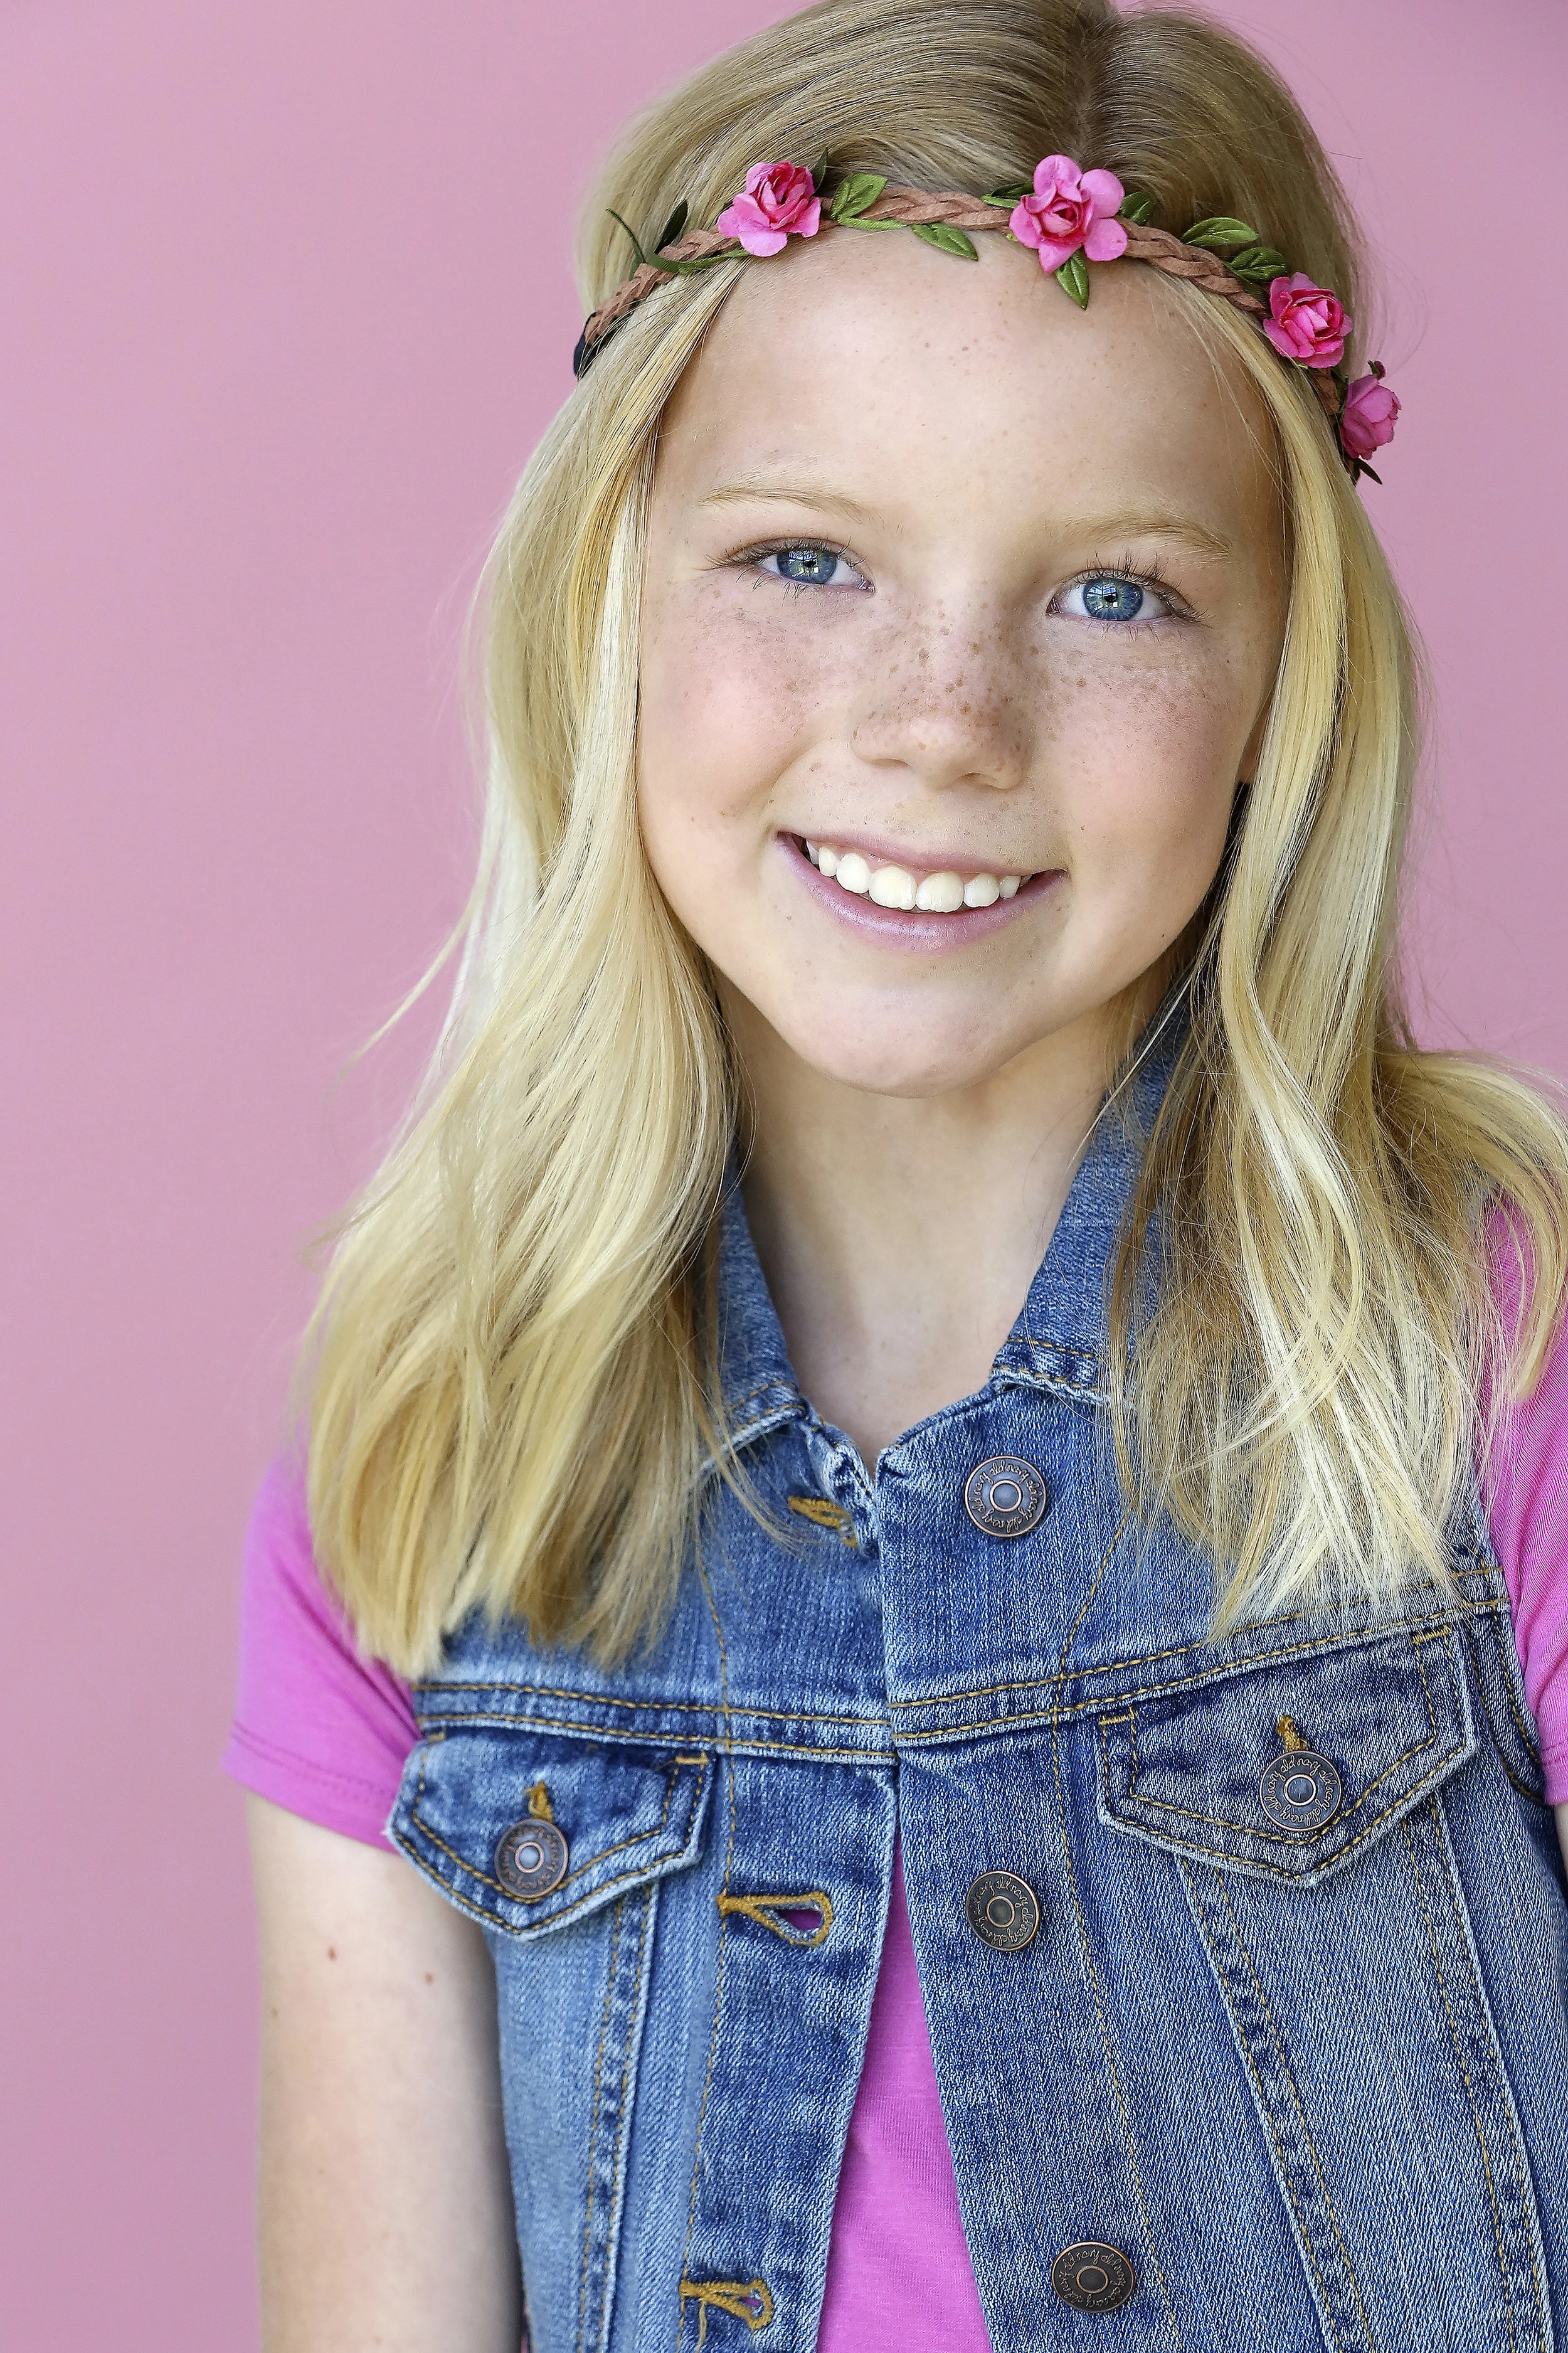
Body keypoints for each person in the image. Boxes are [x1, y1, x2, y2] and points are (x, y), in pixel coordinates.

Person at [229, 2, 1568, 2345]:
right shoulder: (436, 1462)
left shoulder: (1503, 1378)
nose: (942, 718)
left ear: (1290, 683)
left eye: (1114, 591)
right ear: (614, 603)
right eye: (805, 558)